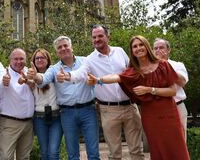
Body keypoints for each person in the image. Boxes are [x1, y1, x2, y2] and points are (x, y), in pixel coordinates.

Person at [88, 35, 189, 160]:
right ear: (132, 51)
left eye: (141, 45)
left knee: (176, 147)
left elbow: (172, 91)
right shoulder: (134, 72)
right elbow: (116, 77)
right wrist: (98, 80)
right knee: (157, 148)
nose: (138, 48)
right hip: (150, 116)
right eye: (135, 46)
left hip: (168, 114)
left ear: (147, 46)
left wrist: (149, 90)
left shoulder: (163, 65)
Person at [60, 25, 144, 160]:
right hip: (108, 110)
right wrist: (68, 76)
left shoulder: (120, 51)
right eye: (94, 37)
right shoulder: (90, 59)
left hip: (130, 107)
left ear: (107, 37)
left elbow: (132, 72)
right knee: (114, 154)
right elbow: (80, 73)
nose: (97, 39)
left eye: (100, 36)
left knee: (136, 151)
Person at [27, 36, 100, 160]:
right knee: (72, 154)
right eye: (60, 47)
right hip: (67, 114)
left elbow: (98, 77)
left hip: (88, 110)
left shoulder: (86, 61)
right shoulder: (54, 69)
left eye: (65, 45)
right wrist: (35, 76)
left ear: (71, 47)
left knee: (93, 152)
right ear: (57, 52)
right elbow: (43, 80)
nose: (63, 48)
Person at [0, 48, 35, 160]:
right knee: (5, 157)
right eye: (16, 59)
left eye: (21, 59)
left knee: (24, 157)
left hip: (28, 124)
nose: (19, 62)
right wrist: (5, 81)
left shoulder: (29, 72)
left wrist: (29, 80)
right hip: (10, 124)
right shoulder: (3, 73)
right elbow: (1, 81)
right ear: (10, 60)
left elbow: (36, 86)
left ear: (26, 60)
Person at [30, 48, 63, 160]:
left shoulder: (54, 73)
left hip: (56, 117)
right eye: (37, 58)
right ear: (33, 61)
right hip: (39, 118)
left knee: (53, 152)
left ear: (48, 59)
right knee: (44, 152)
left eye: (42, 57)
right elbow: (23, 80)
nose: (39, 60)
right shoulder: (30, 75)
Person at [153, 38, 189, 140]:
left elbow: (182, 82)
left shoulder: (177, 65)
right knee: (162, 141)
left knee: (180, 140)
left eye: (161, 47)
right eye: (155, 48)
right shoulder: (149, 68)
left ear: (169, 50)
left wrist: (164, 65)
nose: (158, 50)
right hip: (158, 109)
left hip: (177, 106)